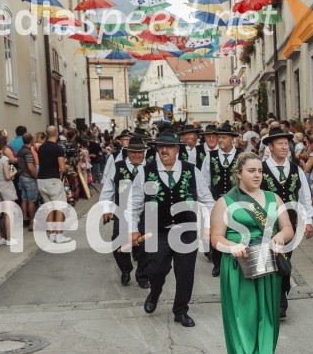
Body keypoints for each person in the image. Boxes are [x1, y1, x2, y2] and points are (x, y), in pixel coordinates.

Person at [210, 153, 293, 354]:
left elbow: (287, 228)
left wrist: (280, 237)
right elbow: (216, 238)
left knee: (267, 320)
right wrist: (232, 246)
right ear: (239, 174)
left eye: (260, 170)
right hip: (238, 266)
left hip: (267, 264)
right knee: (243, 322)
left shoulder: (273, 198)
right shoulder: (225, 202)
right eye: (251, 171)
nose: (257, 175)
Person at [128, 132, 214, 328]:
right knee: (156, 269)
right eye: (160, 147)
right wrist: (133, 229)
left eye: (169, 147)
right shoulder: (145, 171)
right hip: (156, 231)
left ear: (177, 149)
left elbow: (208, 201)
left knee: (185, 273)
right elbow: (134, 204)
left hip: (186, 230)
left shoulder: (192, 171)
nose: (164, 150)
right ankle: (155, 291)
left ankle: (181, 310)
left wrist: (209, 226)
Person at [259, 129, 313, 319]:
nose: (284, 147)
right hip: (265, 225)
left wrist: (308, 221)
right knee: (268, 261)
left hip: (289, 225)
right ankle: (274, 300)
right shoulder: (261, 169)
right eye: (279, 144)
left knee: (284, 261)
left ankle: (281, 296)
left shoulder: (295, 168)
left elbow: (305, 197)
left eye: (286, 144)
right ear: (270, 147)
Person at [101, 136, 150, 288]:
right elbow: (108, 188)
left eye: (140, 152)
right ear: (128, 152)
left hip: (144, 211)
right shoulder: (118, 166)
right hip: (121, 209)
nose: (137, 155)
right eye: (134, 152)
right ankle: (126, 270)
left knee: (145, 244)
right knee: (118, 241)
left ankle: (142, 275)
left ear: (144, 153)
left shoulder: (150, 168)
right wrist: (106, 209)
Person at [202, 124, 241, 277]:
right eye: (219, 137)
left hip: (237, 202)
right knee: (218, 232)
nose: (220, 140)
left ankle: (236, 258)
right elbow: (205, 180)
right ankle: (217, 263)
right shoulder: (210, 156)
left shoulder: (241, 156)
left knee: (236, 230)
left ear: (232, 139)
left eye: (223, 137)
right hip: (216, 201)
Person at [36, 127, 71, 244]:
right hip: (53, 180)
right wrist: (67, 167)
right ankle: (59, 235)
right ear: (56, 134)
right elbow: (62, 168)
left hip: (41, 180)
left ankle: (51, 234)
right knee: (60, 207)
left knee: (49, 207)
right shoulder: (58, 148)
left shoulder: (41, 148)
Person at [0, 136, 19, 247]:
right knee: (8, 213)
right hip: (6, 186)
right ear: (5, 145)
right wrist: (14, 171)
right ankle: (9, 239)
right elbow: (7, 176)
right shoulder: (4, 159)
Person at [16, 133, 38, 232]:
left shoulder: (20, 151)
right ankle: (32, 221)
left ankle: (24, 219)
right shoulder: (28, 153)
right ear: (31, 141)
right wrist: (36, 176)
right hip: (29, 178)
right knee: (31, 200)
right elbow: (31, 167)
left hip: (21, 177)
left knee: (24, 199)